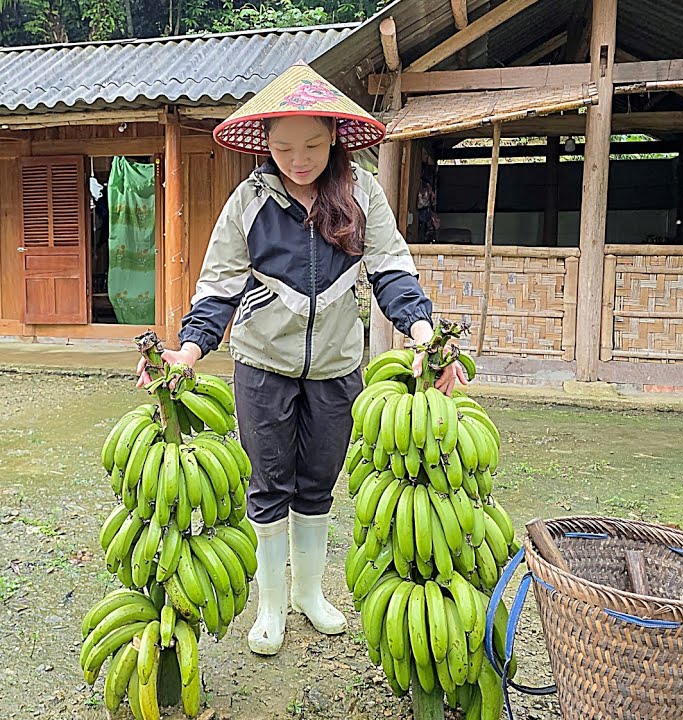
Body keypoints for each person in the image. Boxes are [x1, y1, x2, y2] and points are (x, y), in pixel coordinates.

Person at [135, 62, 468, 656]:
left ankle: (309, 594)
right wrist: (187, 352)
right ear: (264, 143)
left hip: (338, 368)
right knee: (268, 484)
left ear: (334, 136)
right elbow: (218, 289)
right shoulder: (249, 203)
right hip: (262, 366)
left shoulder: (362, 193)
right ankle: (270, 605)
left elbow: (392, 271)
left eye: (312, 144)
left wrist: (424, 334)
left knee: (317, 484)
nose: (299, 159)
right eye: (284, 147)